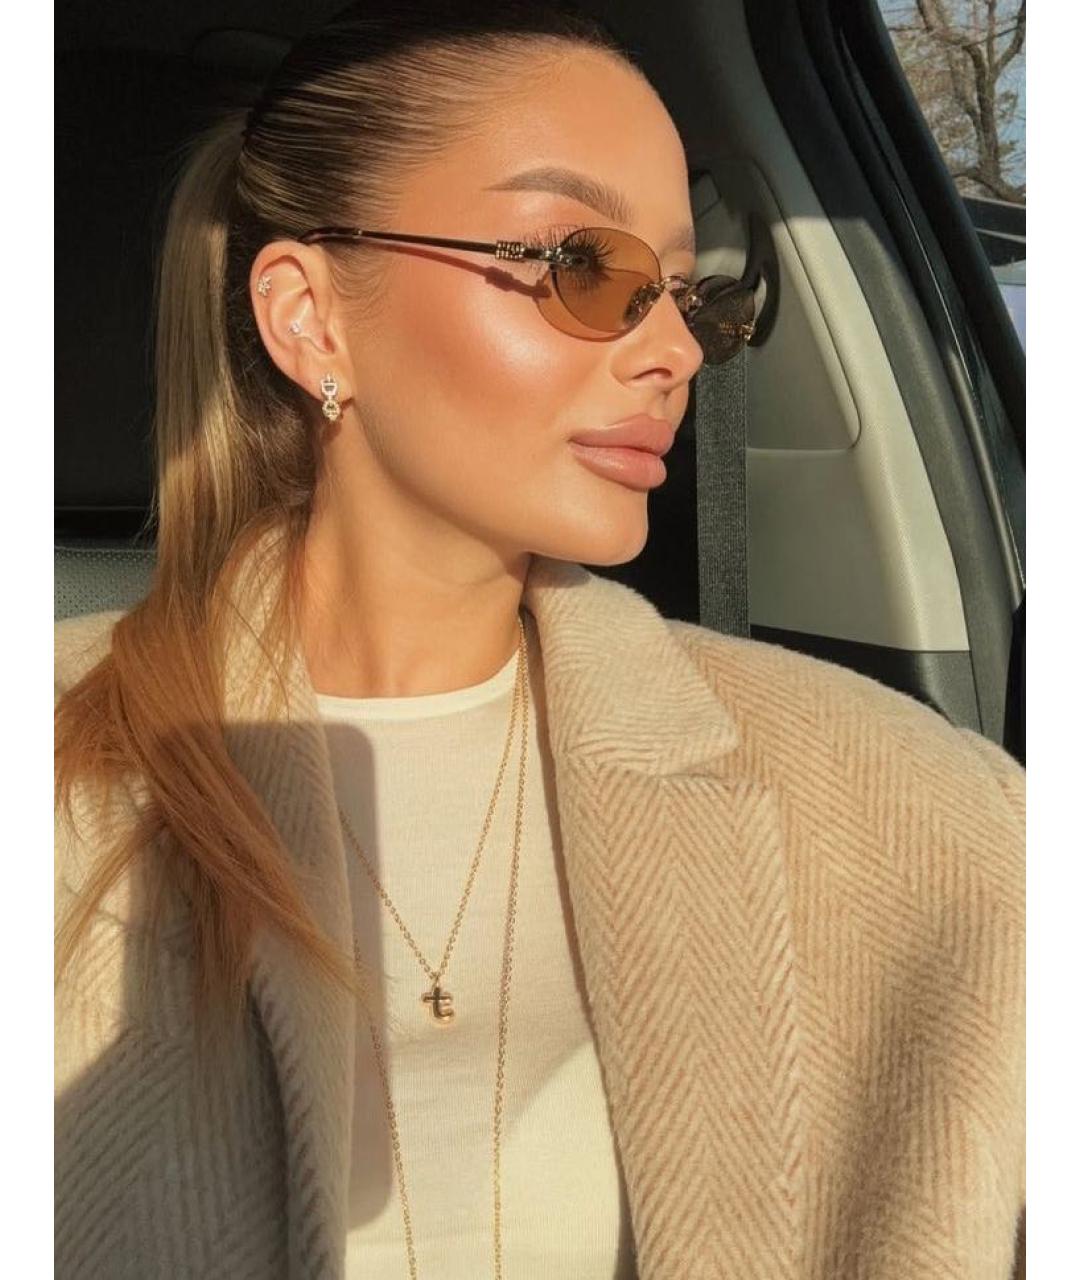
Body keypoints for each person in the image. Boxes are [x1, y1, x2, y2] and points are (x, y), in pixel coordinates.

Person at [54, 2, 1026, 1277]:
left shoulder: (923, 817)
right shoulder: (57, 765)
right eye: (586, 265)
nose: (675, 349)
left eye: (689, 295)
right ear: (311, 319)